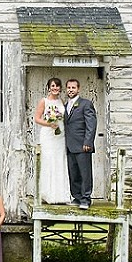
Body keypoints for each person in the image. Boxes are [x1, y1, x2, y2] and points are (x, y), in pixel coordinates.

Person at [33, 77, 71, 204]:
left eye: (57, 86)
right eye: (53, 86)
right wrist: (49, 124)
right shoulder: (44, 101)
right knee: (48, 161)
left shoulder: (61, 101)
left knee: (60, 160)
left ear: (60, 88)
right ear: (49, 87)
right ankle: (48, 194)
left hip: (60, 136)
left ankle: (61, 195)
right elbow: (37, 119)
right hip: (48, 135)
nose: (55, 88)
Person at [64, 78, 98, 210]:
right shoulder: (65, 105)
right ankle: (77, 197)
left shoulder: (85, 104)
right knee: (73, 174)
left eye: (73, 88)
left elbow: (91, 125)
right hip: (69, 145)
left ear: (78, 89)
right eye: (69, 88)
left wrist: (88, 142)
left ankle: (86, 199)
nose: (71, 90)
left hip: (83, 145)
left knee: (85, 174)